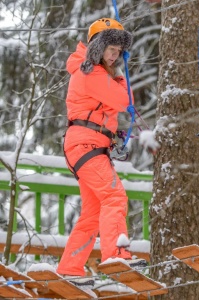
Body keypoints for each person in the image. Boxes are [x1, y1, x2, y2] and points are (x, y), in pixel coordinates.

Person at [56, 18, 146, 287]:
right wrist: (119, 76)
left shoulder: (93, 72)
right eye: (110, 48)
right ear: (97, 46)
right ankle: (116, 254)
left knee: (93, 213)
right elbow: (122, 100)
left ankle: (70, 268)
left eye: (118, 50)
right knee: (114, 195)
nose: (115, 54)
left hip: (88, 146)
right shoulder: (90, 72)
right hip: (86, 146)